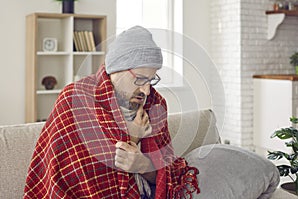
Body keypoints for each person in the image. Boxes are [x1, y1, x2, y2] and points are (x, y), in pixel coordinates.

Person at [23, 26, 200, 199]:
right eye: (140, 79)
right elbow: (76, 177)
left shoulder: (155, 104)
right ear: (117, 69)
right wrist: (133, 137)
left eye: (152, 80)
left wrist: (144, 166)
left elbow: (167, 175)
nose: (146, 91)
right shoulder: (75, 98)